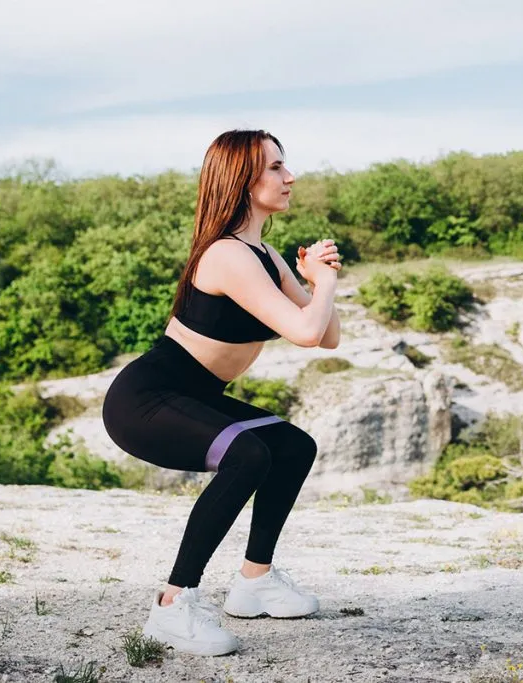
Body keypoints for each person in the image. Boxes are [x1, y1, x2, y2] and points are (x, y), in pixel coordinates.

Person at [101, 130, 342, 656]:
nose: (290, 176)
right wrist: (321, 284)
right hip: (145, 400)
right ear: (241, 179)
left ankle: (254, 583)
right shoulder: (227, 255)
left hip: (196, 396)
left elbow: (327, 336)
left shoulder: (265, 254)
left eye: (286, 165)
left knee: (293, 446)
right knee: (248, 453)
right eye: (276, 168)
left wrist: (317, 283)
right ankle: (172, 606)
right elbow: (304, 331)